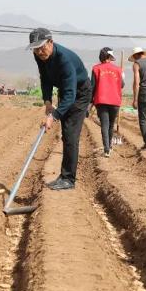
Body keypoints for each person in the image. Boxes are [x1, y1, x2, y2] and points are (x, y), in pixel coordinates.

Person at [28, 28, 91, 190]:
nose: (40, 52)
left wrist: (53, 116)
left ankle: (69, 179)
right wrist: (48, 101)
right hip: (65, 90)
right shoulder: (39, 56)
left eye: (42, 47)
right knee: (66, 134)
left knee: (70, 134)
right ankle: (64, 176)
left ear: (51, 42)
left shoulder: (64, 59)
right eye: (35, 49)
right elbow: (45, 79)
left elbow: (70, 95)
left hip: (80, 93)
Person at [90, 47, 124, 157]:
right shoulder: (118, 70)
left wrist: (91, 102)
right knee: (111, 125)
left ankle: (106, 150)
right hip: (115, 101)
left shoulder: (96, 69)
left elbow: (92, 87)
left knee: (104, 125)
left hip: (101, 100)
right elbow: (122, 85)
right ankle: (109, 146)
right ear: (109, 57)